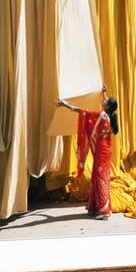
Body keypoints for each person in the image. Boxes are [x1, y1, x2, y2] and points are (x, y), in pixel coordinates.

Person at [56, 85, 118, 220]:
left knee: (100, 177)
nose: (103, 101)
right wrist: (104, 93)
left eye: (105, 102)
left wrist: (64, 104)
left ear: (107, 107)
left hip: (102, 151)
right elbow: (108, 106)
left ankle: (104, 211)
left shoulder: (101, 115)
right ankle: (97, 207)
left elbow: (81, 111)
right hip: (106, 150)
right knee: (99, 176)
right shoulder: (111, 116)